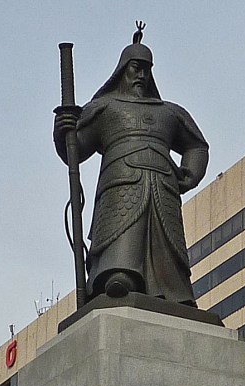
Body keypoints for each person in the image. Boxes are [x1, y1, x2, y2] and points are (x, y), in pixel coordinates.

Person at [53, 26, 209, 305]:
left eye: (147, 70)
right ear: (123, 70)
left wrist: (190, 174)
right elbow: (75, 151)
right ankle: (119, 274)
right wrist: (62, 131)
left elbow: (196, 145)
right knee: (122, 229)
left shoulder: (170, 112)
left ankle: (175, 290)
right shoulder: (105, 108)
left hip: (163, 183)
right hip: (120, 181)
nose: (142, 75)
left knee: (166, 238)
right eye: (136, 68)